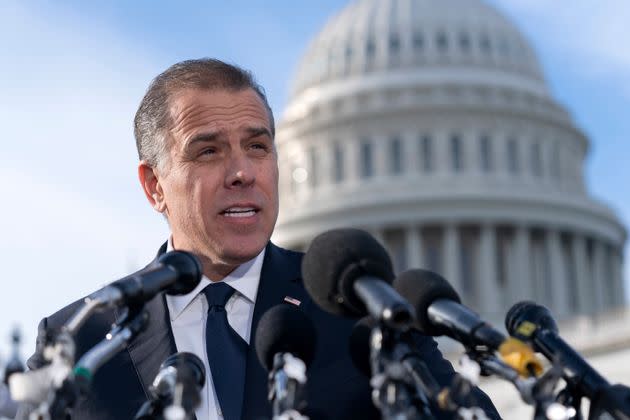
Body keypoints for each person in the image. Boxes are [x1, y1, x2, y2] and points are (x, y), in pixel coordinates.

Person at [23, 58, 501, 420]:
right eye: (207, 151)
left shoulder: (360, 314)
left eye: (257, 146)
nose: (241, 172)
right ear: (154, 186)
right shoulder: (82, 340)